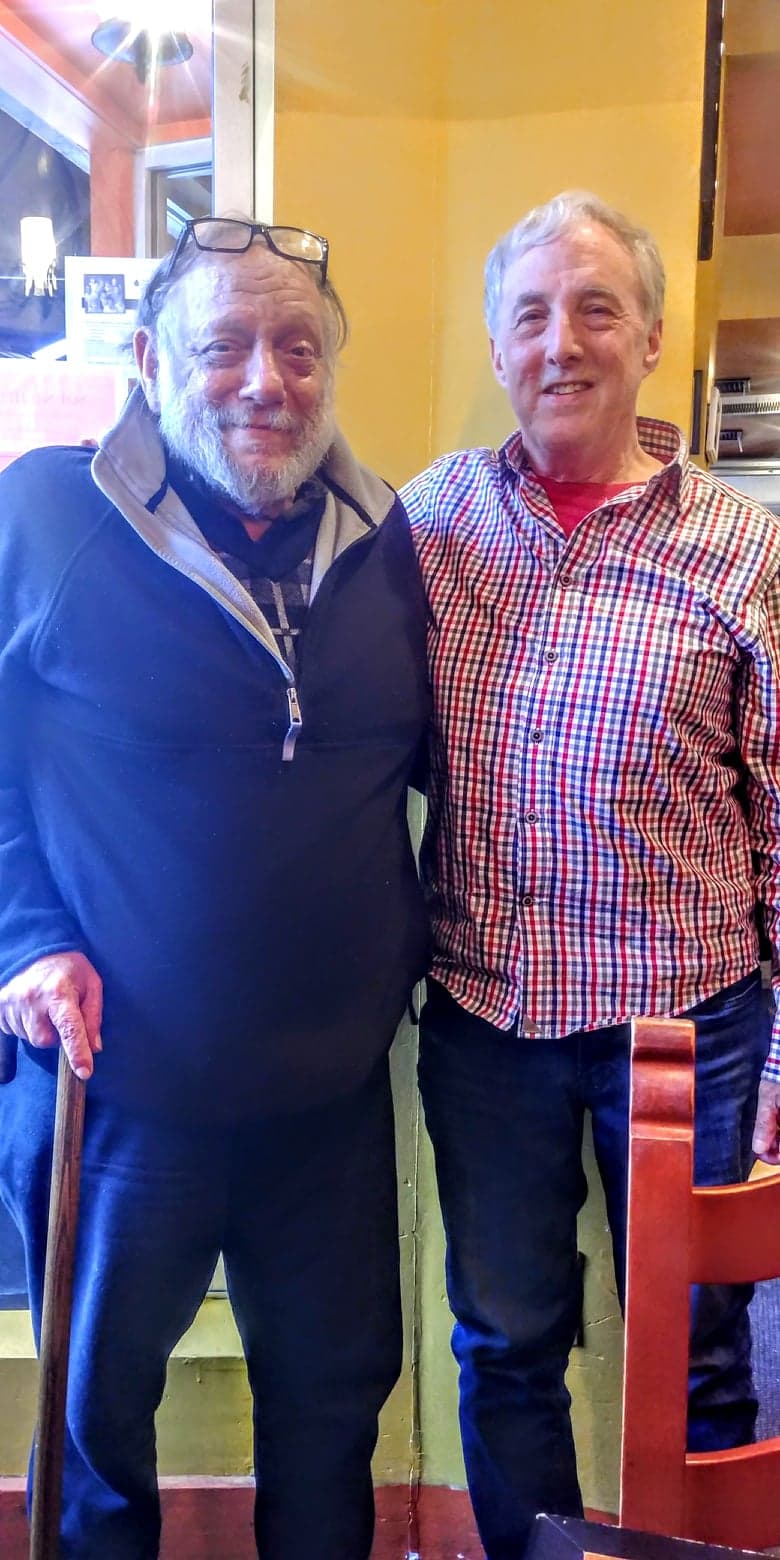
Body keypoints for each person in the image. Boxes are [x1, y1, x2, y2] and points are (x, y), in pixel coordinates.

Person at [0, 217, 430, 1560]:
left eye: (298, 348)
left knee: (332, 1414)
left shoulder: (391, 542)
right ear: (147, 358)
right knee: (96, 1427)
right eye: (225, 345)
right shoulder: (47, 513)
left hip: (331, 1097)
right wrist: (25, 937)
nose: (266, 380)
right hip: (119, 1090)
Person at [401, 189, 780, 1559]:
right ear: (500, 345)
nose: (561, 343)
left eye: (597, 309)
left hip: (688, 1027)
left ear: (652, 337)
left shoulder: (744, 547)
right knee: (505, 1341)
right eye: (531, 315)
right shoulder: (429, 521)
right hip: (486, 1020)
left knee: (700, 1348)